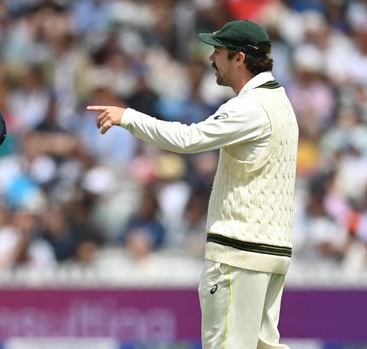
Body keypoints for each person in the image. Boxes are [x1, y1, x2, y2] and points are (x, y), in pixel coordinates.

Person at [88, 20, 298, 349]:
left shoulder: (250, 107)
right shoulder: (281, 103)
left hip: (239, 253)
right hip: (270, 251)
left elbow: (189, 139)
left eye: (218, 51)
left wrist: (128, 117)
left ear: (239, 58)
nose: (212, 58)